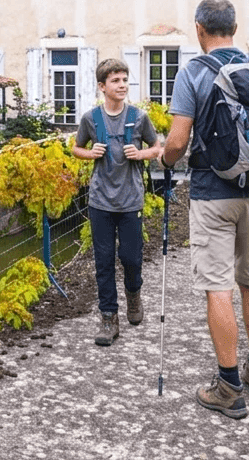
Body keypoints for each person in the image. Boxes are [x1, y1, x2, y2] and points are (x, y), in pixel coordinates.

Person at [159, 0, 249, 420]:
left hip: (213, 192)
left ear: (200, 29)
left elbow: (177, 142)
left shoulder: (192, 72)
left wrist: (165, 159)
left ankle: (227, 386)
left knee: (217, 286)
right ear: (235, 29)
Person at [70, 59, 162, 346]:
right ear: (102, 86)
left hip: (131, 200)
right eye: (115, 81)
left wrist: (141, 154)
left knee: (131, 258)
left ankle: (134, 295)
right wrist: (90, 153)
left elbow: (157, 147)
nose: (122, 85)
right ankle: (109, 317)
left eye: (124, 80)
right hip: (100, 201)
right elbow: (76, 148)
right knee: (103, 261)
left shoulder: (139, 117)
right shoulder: (91, 118)